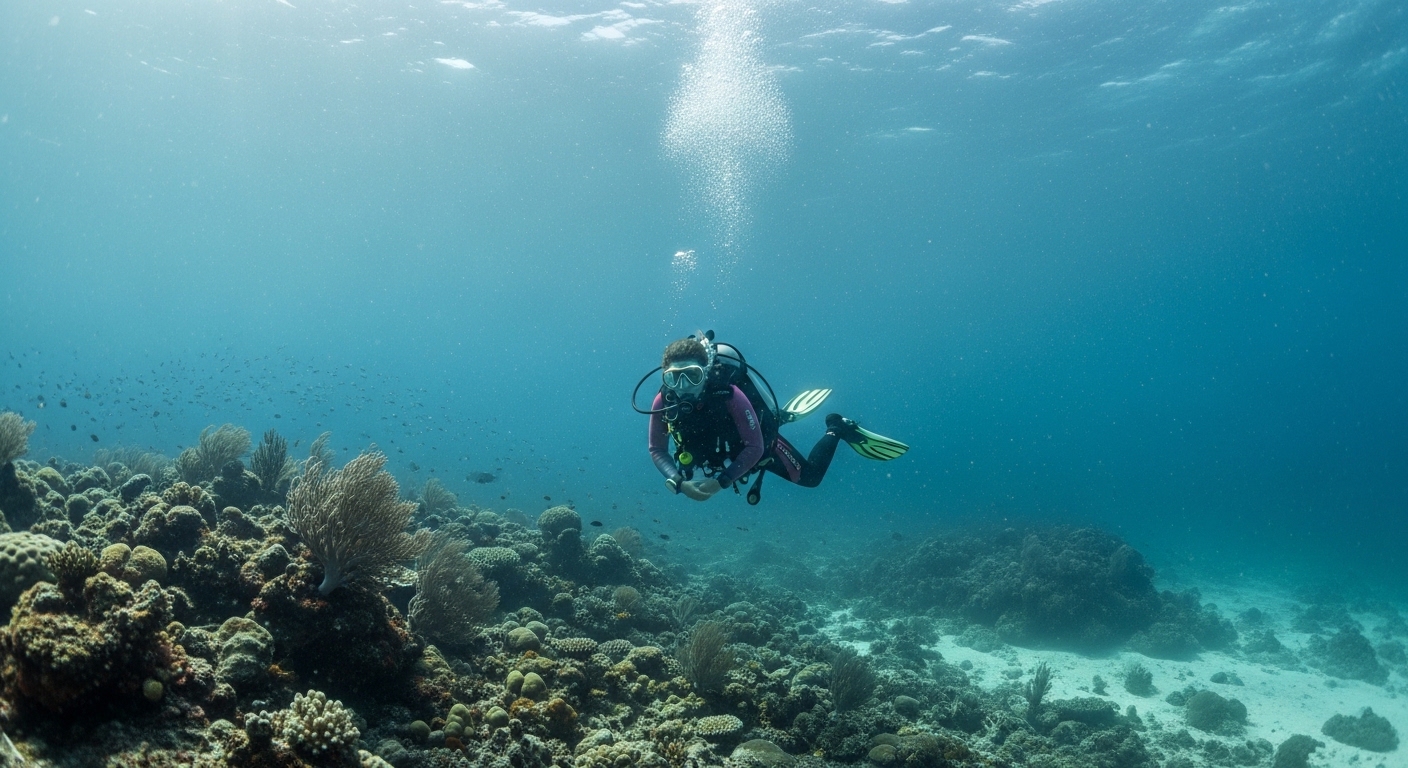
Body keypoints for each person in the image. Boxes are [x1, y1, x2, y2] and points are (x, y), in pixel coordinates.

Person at [638, 331, 908, 503]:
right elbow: (656, 449)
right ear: (665, 377)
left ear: (705, 373)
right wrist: (678, 482)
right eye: (674, 377)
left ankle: (836, 427)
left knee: (811, 478)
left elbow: (755, 446)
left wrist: (721, 482)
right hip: (719, 449)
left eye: (692, 376)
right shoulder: (664, 401)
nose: (683, 386)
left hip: (753, 446)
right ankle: (781, 415)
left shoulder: (728, 394)